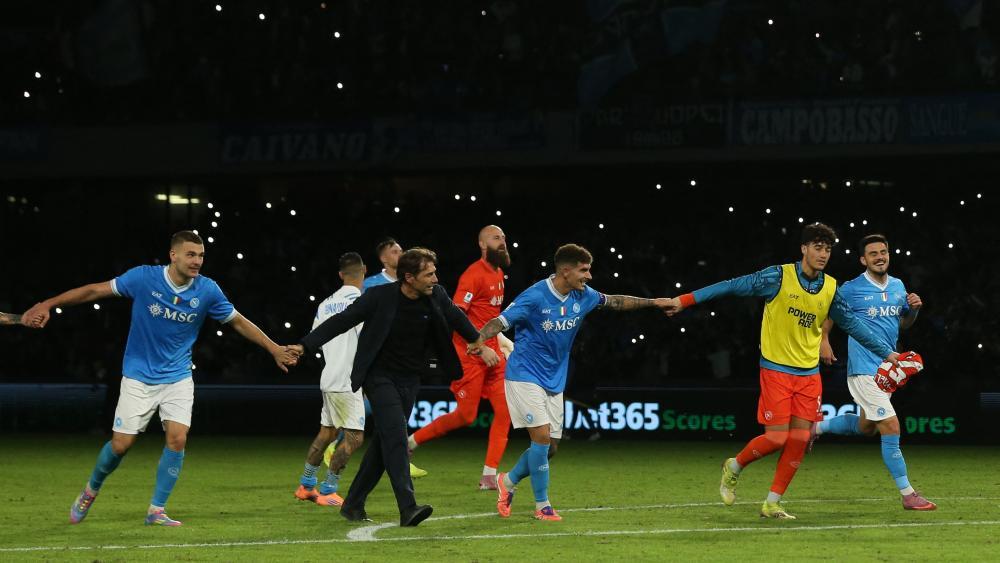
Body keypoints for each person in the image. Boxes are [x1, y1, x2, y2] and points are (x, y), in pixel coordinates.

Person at [21, 231, 298, 527]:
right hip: (138, 376)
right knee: (121, 445)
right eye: (191, 254)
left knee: (177, 439)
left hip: (177, 376)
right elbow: (94, 291)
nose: (197, 261)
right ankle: (91, 489)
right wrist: (47, 304)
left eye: (201, 255)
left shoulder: (207, 290)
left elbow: (238, 321)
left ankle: (156, 510)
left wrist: (273, 348)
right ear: (173, 255)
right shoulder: (143, 278)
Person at [662, 223, 900, 519]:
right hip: (776, 370)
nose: (823, 253)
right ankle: (734, 466)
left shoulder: (830, 288)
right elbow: (732, 285)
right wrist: (684, 300)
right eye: (817, 247)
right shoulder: (778, 276)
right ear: (803, 249)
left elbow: (853, 325)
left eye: (827, 249)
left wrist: (890, 354)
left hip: (809, 375)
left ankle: (772, 503)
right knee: (777, 439)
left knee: (800, 440)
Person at [291, 248, 487, 527]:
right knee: (396, 437)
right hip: (379, 378)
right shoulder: (379, 297)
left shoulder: (436, 295)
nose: (435, 278)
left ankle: (353, 503)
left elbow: (456, 318)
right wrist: (304, 345)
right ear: (409, 277)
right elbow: (341, 321)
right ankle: (408, 507)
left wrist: (480, 342)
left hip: (410, 379)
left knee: (384, 444)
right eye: (428, 274)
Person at [475, 244, 670, 521]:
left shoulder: (584, 295)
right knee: (541, 439)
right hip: (524, 375)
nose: (589, 276)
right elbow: (500, 321)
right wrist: (480, 338)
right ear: (565, 271)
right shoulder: (535, 296)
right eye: (584, 270)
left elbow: (614, 301)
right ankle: (542, 506)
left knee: (550, 449)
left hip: (555, 379)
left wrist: (653, 303)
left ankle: (507, 482)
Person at [813, 234, 935, 510]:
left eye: (883, 252)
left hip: (885, 371)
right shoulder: (851, 288)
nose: (880, 257)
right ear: (863, 259)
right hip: (863, 370)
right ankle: (908, 494)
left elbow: (903, 325)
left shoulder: (898, 286)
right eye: (873, 254)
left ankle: (815, 427)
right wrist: (824, 340)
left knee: (866, 427)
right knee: (891, 426)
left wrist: (914, 310)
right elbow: (830, 313)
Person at [407, 225, 514, 490]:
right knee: (466, 416)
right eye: (495, 238)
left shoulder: (499, 273)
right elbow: (455, 316)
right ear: (481, 244)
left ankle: (489, 476)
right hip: (470, 354)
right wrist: (480, 345)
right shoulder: (473, 275)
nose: (501, 242)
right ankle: (411, 443)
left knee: (506, 412)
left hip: (493, 355)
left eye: (503, 238)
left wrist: (499, 340)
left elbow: (489, 315)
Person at [293, 252, 368, 508]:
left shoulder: (325, 303)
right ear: (364, 271)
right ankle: (328, 488)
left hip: (329, 376)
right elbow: (368, 340)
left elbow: (317, 337)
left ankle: (305, 485)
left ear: (340, 275)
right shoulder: (362, 301)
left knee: (327, 433)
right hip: (348, 380)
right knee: (355, 438)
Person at [354, 237, 427, 478]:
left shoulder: (413, 282)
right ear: (384, 258)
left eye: (402, 250)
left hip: (404, 360)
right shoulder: (372, 285)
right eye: (395, 251)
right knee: (367, 410)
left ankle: (400, 458)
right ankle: (336, 443)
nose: (400, 253)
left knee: (392, 416)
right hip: (377, 359)